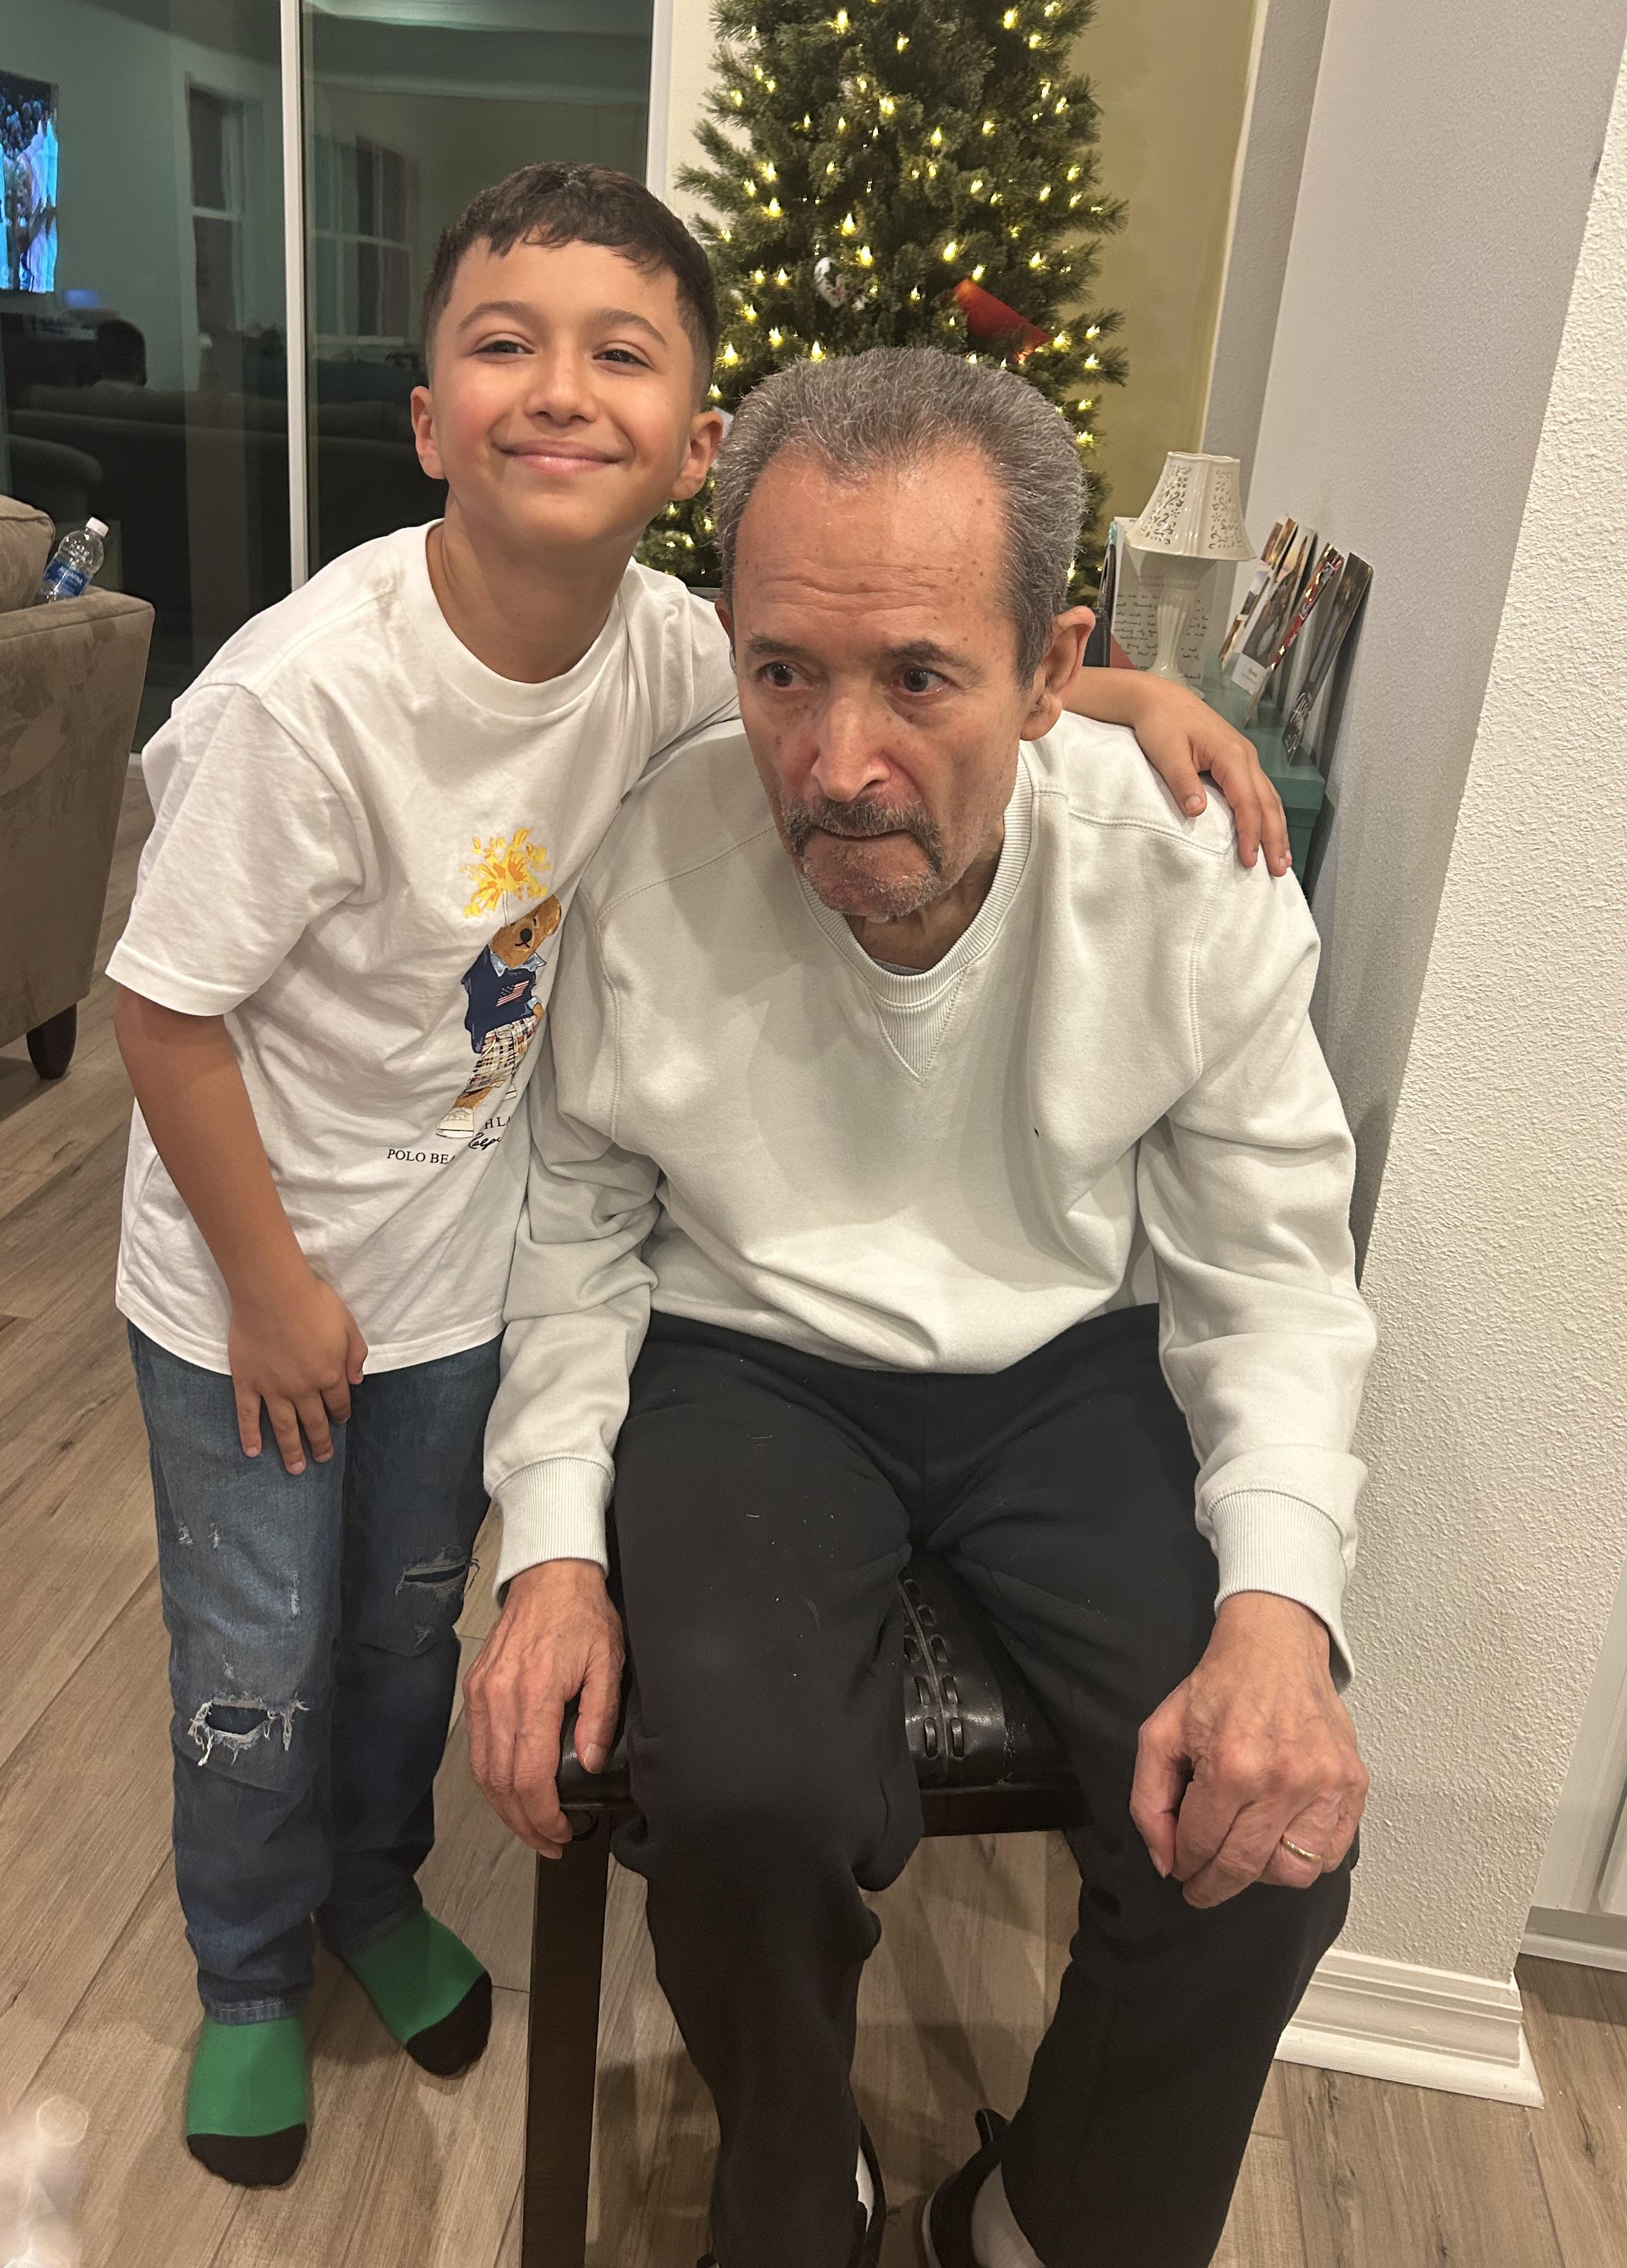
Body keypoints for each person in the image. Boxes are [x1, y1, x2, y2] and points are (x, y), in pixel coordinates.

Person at [107, 165, 1286, 2190]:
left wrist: (1121, 702)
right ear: (424, 416)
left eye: (620, 352)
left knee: (395, 1629)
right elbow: (161, 1007)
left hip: (455, 1264)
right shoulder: (310, 699)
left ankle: (377, 1898)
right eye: (500, 343)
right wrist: (279, 1290)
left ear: (694, 437)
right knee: (253, 1652)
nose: (558, 393)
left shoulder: (681, 652)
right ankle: (242, 1977)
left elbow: (898, 665)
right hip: (262, 1267)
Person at [466, 346, 1376, 2268]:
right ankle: (797, 2200)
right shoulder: (661, 853)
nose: (838, 760)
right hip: (750, 1359)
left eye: (921, 680)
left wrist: (1284, 1609)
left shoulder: (1190, 877)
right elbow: (574, 1219)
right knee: (736, 1794)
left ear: (1056, 668)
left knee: (1271, 1828)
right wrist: (550, 1550)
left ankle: (1049, 2221)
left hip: (1065, 1357)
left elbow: (1276, 1270)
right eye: (783, 670)